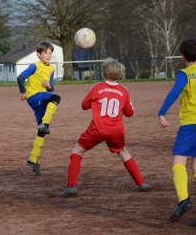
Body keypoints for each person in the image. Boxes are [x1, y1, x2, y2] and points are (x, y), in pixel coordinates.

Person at [59, 58, 151, 197]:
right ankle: (141, 182)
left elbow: (84, 106)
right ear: (120, 75)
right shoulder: (124, 90)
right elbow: (130, 113)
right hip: (116, 130)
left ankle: (71, 186)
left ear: (103, 74)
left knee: (77, 151)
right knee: (123, 152)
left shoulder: (97, 87)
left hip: (97, 129)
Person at [158, 39, 196, 223]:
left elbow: (175, 92)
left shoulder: (185, 74)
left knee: (178, 163)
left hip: (190, 124)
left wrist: (162, 112)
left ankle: (184, 200)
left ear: (182, 56)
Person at [17, 41, 61, 175]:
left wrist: (49, 86)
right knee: (56, 98)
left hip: (42, 98)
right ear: (38, 54)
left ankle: (32, 159)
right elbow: (20, 78)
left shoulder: (51, 69)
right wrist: (23, 92)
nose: (48, 55)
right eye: (45, 53)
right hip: (34, 96)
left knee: (41, 132)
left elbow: (52, 87)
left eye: (50, 53)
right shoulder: (34, 66)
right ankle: (45, 124)